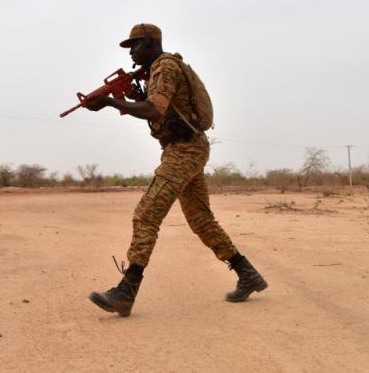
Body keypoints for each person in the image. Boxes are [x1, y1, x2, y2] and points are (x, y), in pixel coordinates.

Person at [83, 23, 267, 317]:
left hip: (185, 149)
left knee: (147, 213)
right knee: (201, 220)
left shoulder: (164, 67)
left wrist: (111, 102)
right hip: (186, 147)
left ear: (150, 42)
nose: (131, 51)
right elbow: (158, 108)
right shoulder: (161, 68)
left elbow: (154, 110)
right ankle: (248, 274)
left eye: (135, 44)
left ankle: (126, 291)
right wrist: (130, 96)